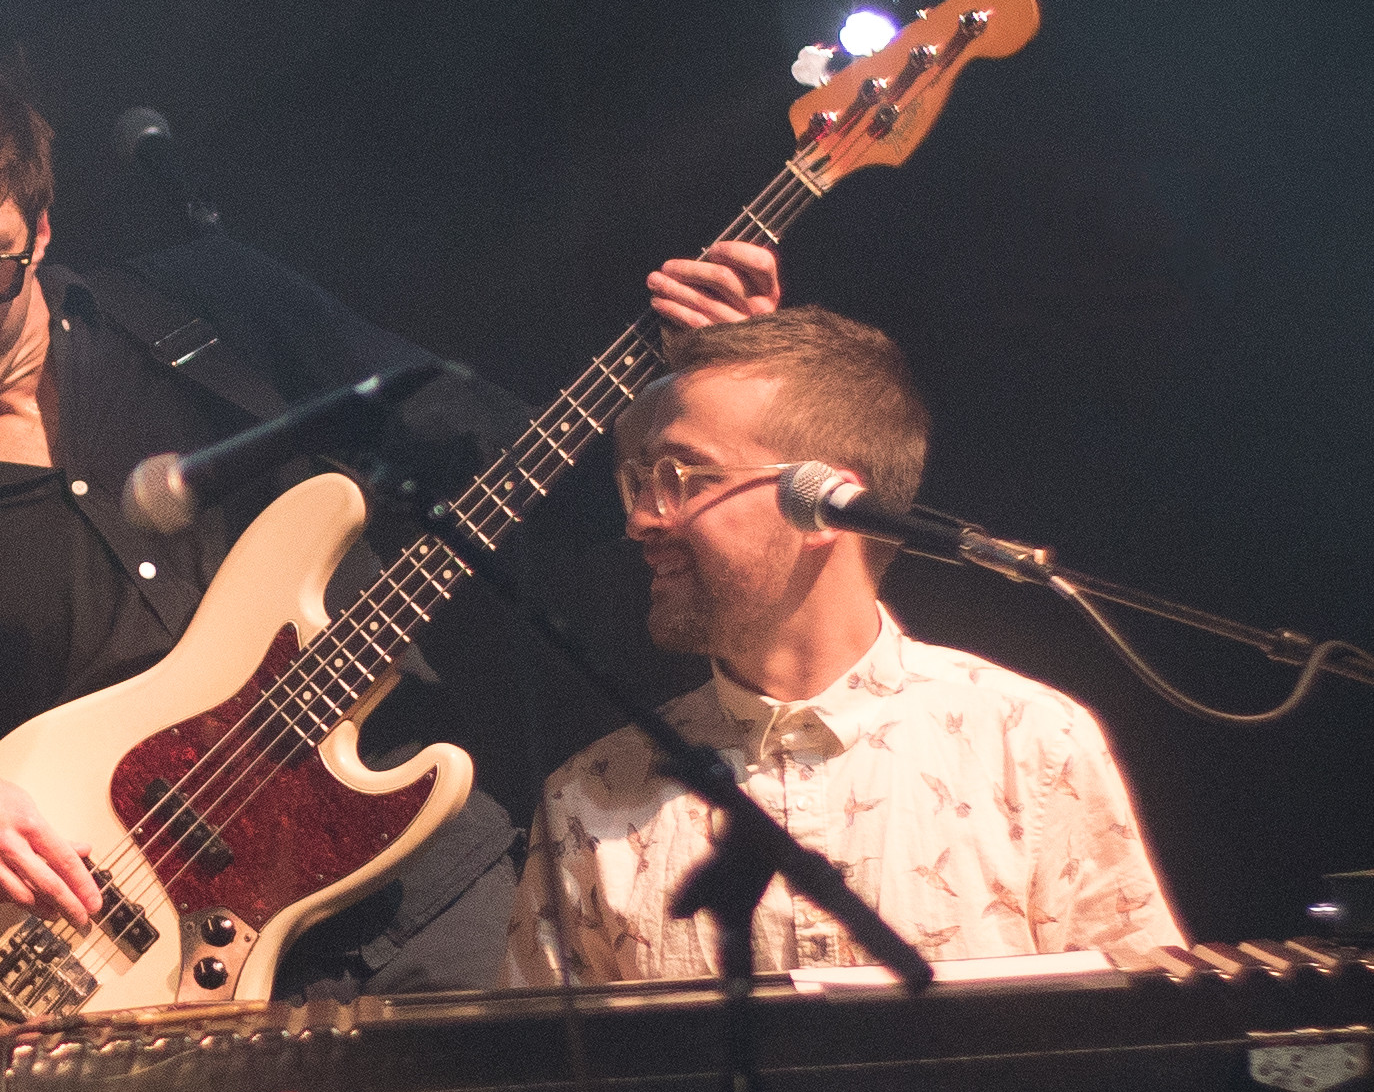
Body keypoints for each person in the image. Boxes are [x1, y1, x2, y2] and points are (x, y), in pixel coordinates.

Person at [0, 48, 778, 1092]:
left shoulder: (205, 315)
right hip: (163, 1001)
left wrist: (690, 381)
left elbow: (487, 448)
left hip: (426, 907)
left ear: (42, 228)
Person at [503, 305, 1185, 986]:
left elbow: (1150, 1042)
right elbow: (541, 1086)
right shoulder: (590, 797)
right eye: (639, 483)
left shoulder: (1031, 743)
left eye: (686, 476)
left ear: (824, 504)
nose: (642, 519)